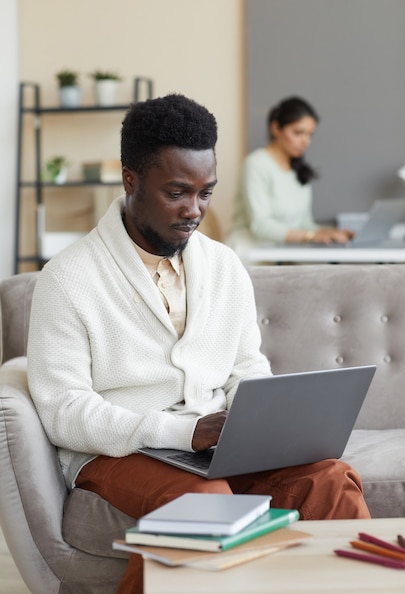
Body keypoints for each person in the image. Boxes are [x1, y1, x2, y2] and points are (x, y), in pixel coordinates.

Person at [27, 94, 370, 594]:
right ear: (131, 181)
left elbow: (245, 363)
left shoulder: (224, 265)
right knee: (204, 502)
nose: (195, 211)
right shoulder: (67, 279)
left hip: (214, 444)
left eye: (206, 192)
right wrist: (181, 434)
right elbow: (64, 411)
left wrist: (259, 418)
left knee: (329, 479)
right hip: (119, 451)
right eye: (177, 193)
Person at [228, 96, 353, 253]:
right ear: (275, 128)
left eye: (310, 134)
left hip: (284, 254)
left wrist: (328, 233)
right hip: (250, 254)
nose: (305, 141)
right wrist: (310, 235)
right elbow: (259, 225)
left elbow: (304, 225)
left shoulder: (299, 170)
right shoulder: (256, 164)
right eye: (298, 133)